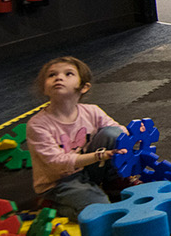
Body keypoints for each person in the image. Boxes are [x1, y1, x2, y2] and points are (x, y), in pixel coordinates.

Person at [26, 56, 131, 219]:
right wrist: (99, 155)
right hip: (59, 182)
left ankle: (112, 183)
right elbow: (57, 164)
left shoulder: (92, 111)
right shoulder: (38, 124)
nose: (59, 77)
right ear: (45, 89)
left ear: (84, 87)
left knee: (113, 134)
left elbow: (118, 131)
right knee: (101, 210)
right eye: (52, 75)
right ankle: (54, 205)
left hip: (89, 170)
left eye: (68, 74)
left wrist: (133, 134)